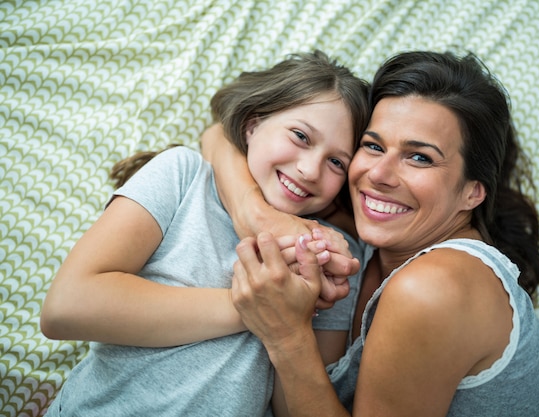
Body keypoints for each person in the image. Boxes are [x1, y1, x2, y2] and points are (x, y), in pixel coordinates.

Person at [201, 50, 539, 416]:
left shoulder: (431, 288)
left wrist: (287, 338)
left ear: (472, 192)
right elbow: (219, 135)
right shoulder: (372, 231)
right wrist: (260, 217)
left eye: (419, 157)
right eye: (373, 146)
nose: (378, 175)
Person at [39, 50, 369, 417]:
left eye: (336, 161)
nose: (309, 169)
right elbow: (65, 308)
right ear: (252, 125)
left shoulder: (332, 258)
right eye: (300, 136)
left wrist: (292, 328)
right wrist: (258, 307)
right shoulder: (183, 176)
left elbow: (291, 410)